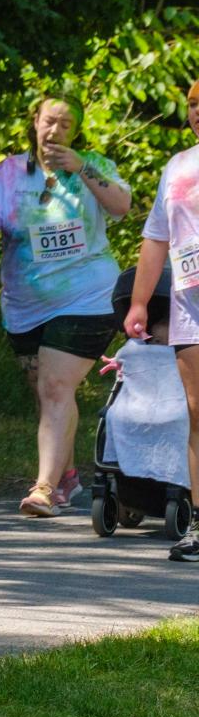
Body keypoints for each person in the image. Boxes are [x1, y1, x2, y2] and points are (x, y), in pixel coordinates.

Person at [0, 93, 130, 517]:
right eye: (49, 121)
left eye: (66, 125)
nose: (55, 131)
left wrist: (82, 167)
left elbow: (121, 207)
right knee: (46, 395)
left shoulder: (93, 164)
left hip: (88, 295)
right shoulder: (8, 172)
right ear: (34, 123)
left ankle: (44, 488)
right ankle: (69, 476)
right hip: (25, 303)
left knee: (56, 387)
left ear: (76, 131)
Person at [124, 79, 199, 560]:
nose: (198, 112)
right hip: (191, 309)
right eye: (193, 105)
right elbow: (155, 238)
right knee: (198, 414)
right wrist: (138, 302)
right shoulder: (178, 167)